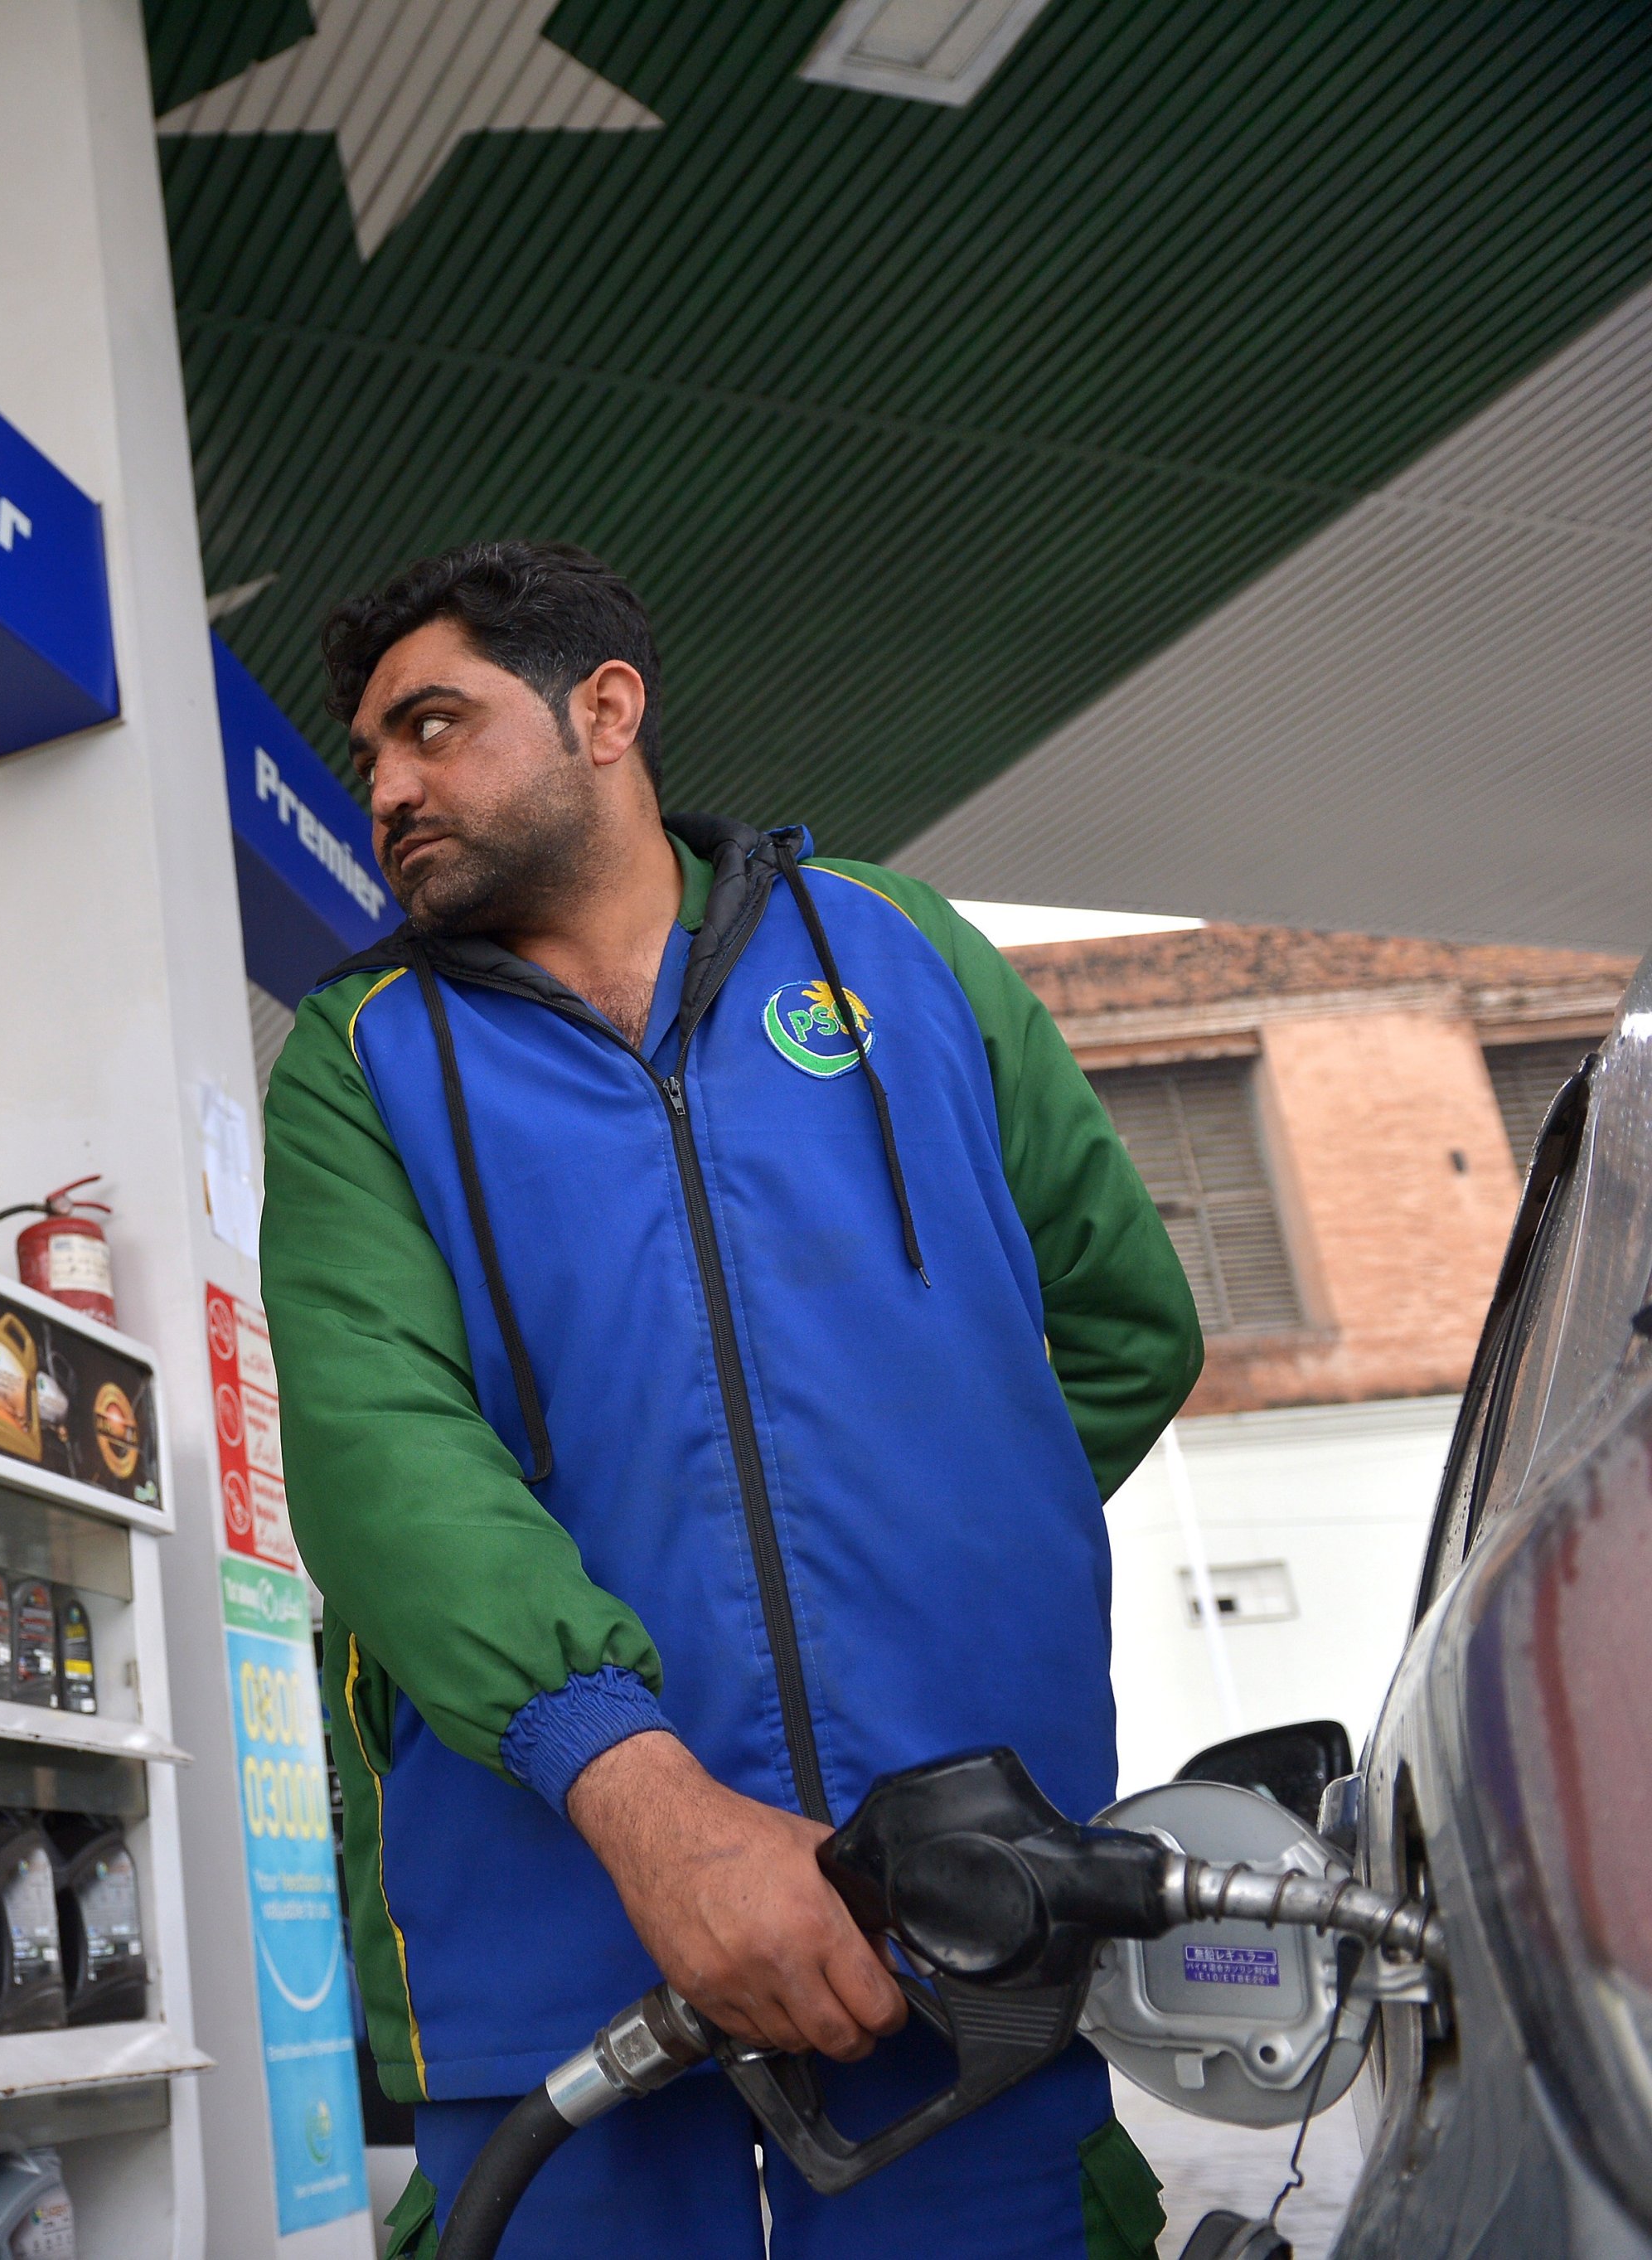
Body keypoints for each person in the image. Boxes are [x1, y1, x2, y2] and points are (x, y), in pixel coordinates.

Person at [260, 539, 1204, 2258]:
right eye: (370, 756)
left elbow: (1123, 1327)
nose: (385, 787)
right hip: (549, 1946)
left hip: (961, 1923)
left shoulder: (897, 952)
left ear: (602, 709)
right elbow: (380, 1451)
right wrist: (644, 1797)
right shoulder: (359, 1059)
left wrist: (933, 1554)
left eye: (431, 726)